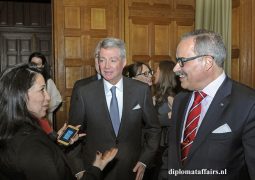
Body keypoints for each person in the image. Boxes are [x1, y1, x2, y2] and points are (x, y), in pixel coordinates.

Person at [160, 29, 255, 180]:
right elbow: (171, 154)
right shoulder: (180, 100)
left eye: (182, 61)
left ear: (207, 62)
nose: (175, 68)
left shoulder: (248, 104)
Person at [0, 63, 118, 180]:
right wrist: (97, 168)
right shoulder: (32, 146)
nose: (48, 97)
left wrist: (57, 143)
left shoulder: (14, 130)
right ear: (21, 95)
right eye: (42, 90)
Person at [69, 37, 161, 180]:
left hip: (132, 170)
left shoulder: (141, 90)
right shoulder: (84, 93)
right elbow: (72, 133)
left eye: (112, 60)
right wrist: (79, 170)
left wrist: (144, 160)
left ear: (123, 62)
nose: (106, 66)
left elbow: (153, 129)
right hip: (95, 171)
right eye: (102, 60)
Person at [144, 60, 177, 180]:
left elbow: (175, 122)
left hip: (166, 150)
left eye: (157, 71)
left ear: (164, 75)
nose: (154, 75)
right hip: (157, 148)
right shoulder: (157, 97)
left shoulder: (171, 98)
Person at [29, 52, 62, 125]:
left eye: (38, 64)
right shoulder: (25, 79)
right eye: (33, 63)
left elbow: (58, 99)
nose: (35, 66)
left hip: (43, 118)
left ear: (42, 66)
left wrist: (45, 108)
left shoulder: (48, 81)